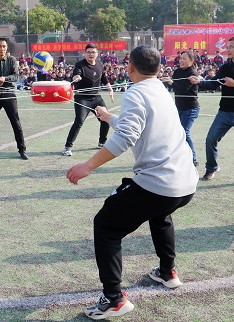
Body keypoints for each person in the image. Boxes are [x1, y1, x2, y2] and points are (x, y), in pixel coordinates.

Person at [67, 46, 198, 320]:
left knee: (106, 225)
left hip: (160, 182)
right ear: (159, 69)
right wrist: (108, 117)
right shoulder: (161, 89)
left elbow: (126, 137)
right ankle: (167, 272)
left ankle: (114, 299)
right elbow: (137, 125)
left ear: (130, 68)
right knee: (159, 213)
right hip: (185, 181)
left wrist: (87, 166)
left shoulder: (136, 92)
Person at [189, 37, 234, 181]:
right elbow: (214, 83)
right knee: (210, 139)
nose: (227, 50)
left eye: (230, 47)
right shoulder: (225, 67)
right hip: (225, 112)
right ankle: (211, 168)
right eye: (227, 47)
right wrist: (200, 82)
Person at [62, 44, 114, 157]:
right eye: (88, 52)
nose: (91, 54)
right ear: (85, 53)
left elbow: (104, 77)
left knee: (106, 119)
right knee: (79, 121)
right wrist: (76, 77)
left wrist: (110, 89)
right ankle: (67, 147)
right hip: (82, 98)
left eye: (93, 52)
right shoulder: (80, 65)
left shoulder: (100, 64)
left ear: (97, 54)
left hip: (96, 97)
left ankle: (102, 142)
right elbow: (76, 74)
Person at [163, 51, 200, 165]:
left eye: (184, 58)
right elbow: (174, 87)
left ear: (191, 61)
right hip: (179, 107)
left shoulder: (192, 73)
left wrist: (171, 82)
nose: (181, 60)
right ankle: (178, 155)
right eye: (180, 58)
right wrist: (166, 82)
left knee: (184, 132)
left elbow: (182, 89)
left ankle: (193, 158)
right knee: (177, 132)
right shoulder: (178, 71)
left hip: (191, 108)